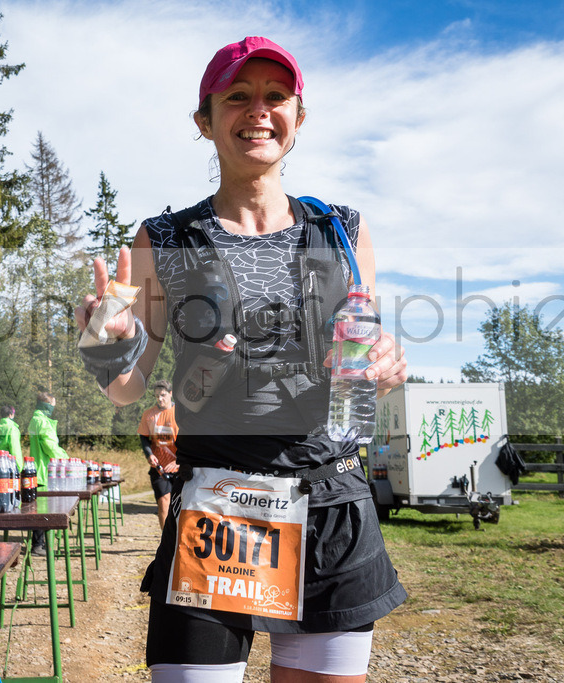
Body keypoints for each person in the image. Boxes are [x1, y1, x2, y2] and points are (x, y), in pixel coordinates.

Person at [75, 37, 409, 683]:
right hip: (219, 511)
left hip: (334, 504)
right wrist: (107, 342)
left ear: (298, 118)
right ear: (205, 120)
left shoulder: (343, 230)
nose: (258, 110)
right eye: (238, 96)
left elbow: (363, 359)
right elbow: (127, 387)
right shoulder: (164, 240)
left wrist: (389, 363)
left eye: (275, 96)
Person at [27, 391, 68, 555]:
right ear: (46, 406)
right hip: (44, 471)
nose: (53, 410)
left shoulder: (35, 420)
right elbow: (50, 447)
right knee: (42, 510)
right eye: (52, 406)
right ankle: (38, 545)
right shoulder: (42, 422)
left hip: (36, 469)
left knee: (39, 508)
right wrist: (65, 457)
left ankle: (39, 544)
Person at [138, 379, 179, 528]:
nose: (160, 399)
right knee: (163, 502)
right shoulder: (149, 415)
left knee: (182, 505)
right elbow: (143, 437)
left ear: (170, 394)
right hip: (159, 468)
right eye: (156, 396)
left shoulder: (180, 413)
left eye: (162, 395)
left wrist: (179, 461)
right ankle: (165, 541)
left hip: (179, 466)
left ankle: (180, 538)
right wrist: (149, 454)